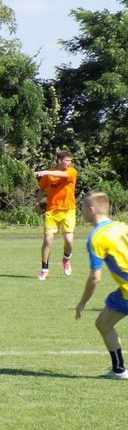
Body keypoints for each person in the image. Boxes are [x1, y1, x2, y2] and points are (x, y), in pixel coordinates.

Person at [74, 191, 128, 379]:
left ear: (91, 210)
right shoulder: (122, 226)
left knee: (104, 323)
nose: (80, 211)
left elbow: (95, 277)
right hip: (124, 291)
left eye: (81, 207)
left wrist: (82, 303)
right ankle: (119, 370)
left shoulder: (97, 237)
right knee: (103, 323)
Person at [34, 150, 77, 280]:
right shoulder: (49, 175)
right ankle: (44, 269)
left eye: (70, 161)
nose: (69, 163)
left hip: (68, 211)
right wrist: (37, 202)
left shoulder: (71, 172)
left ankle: (66, 259)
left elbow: (62, 174)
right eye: (67, 160)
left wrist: (46, 171)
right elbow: (42, 188)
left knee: (69, 240)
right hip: (51, 211)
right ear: (59, 160)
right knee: (48, 240)